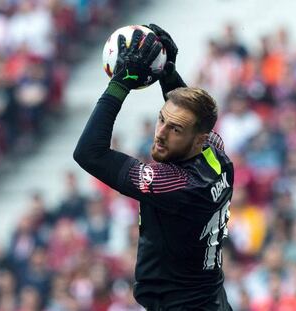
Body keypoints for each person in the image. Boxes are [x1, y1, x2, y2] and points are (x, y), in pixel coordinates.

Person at [73, 24, 234, 311]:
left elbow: (89, 153)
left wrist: (120, 83)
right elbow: (188, 118)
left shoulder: (173, 183)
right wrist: (167, 72)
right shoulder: (218, 159)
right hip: (210, 301)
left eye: (174, 129)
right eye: (161, 119)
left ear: (197, 139)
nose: (160, 133)